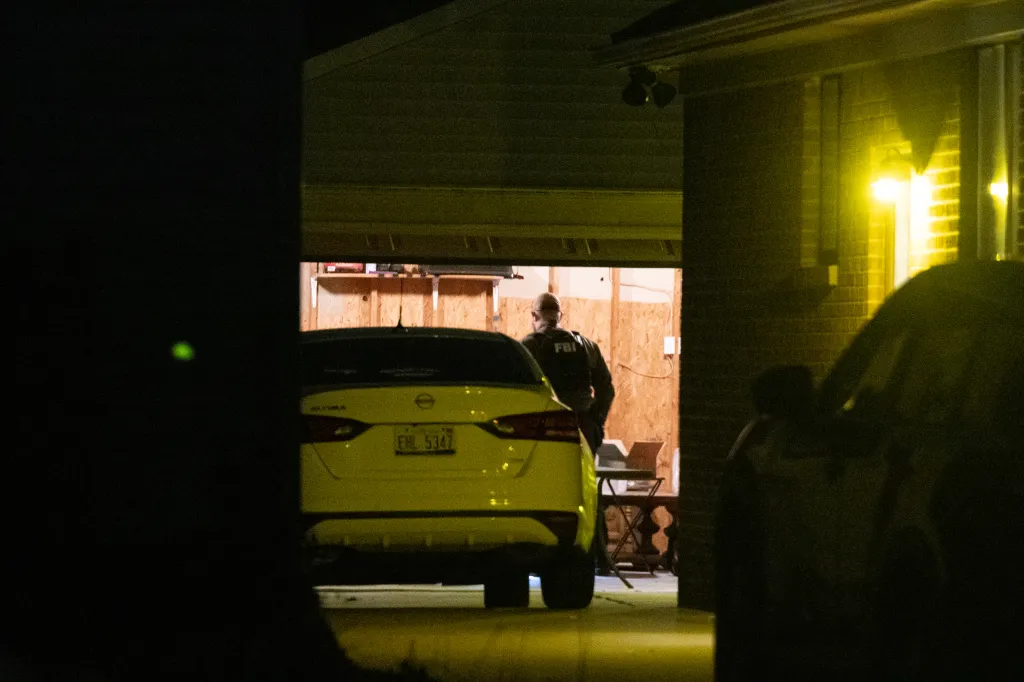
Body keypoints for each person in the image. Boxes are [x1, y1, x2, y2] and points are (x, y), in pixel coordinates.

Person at [521, 293, 615, 452]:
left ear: (534, 315)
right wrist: (596, 423)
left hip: (547, 429)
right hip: (583, 426)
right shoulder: (586, 346)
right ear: (560, 316)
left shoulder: (528, 346)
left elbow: (520, 393)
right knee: (584, 476)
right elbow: (607, 390)